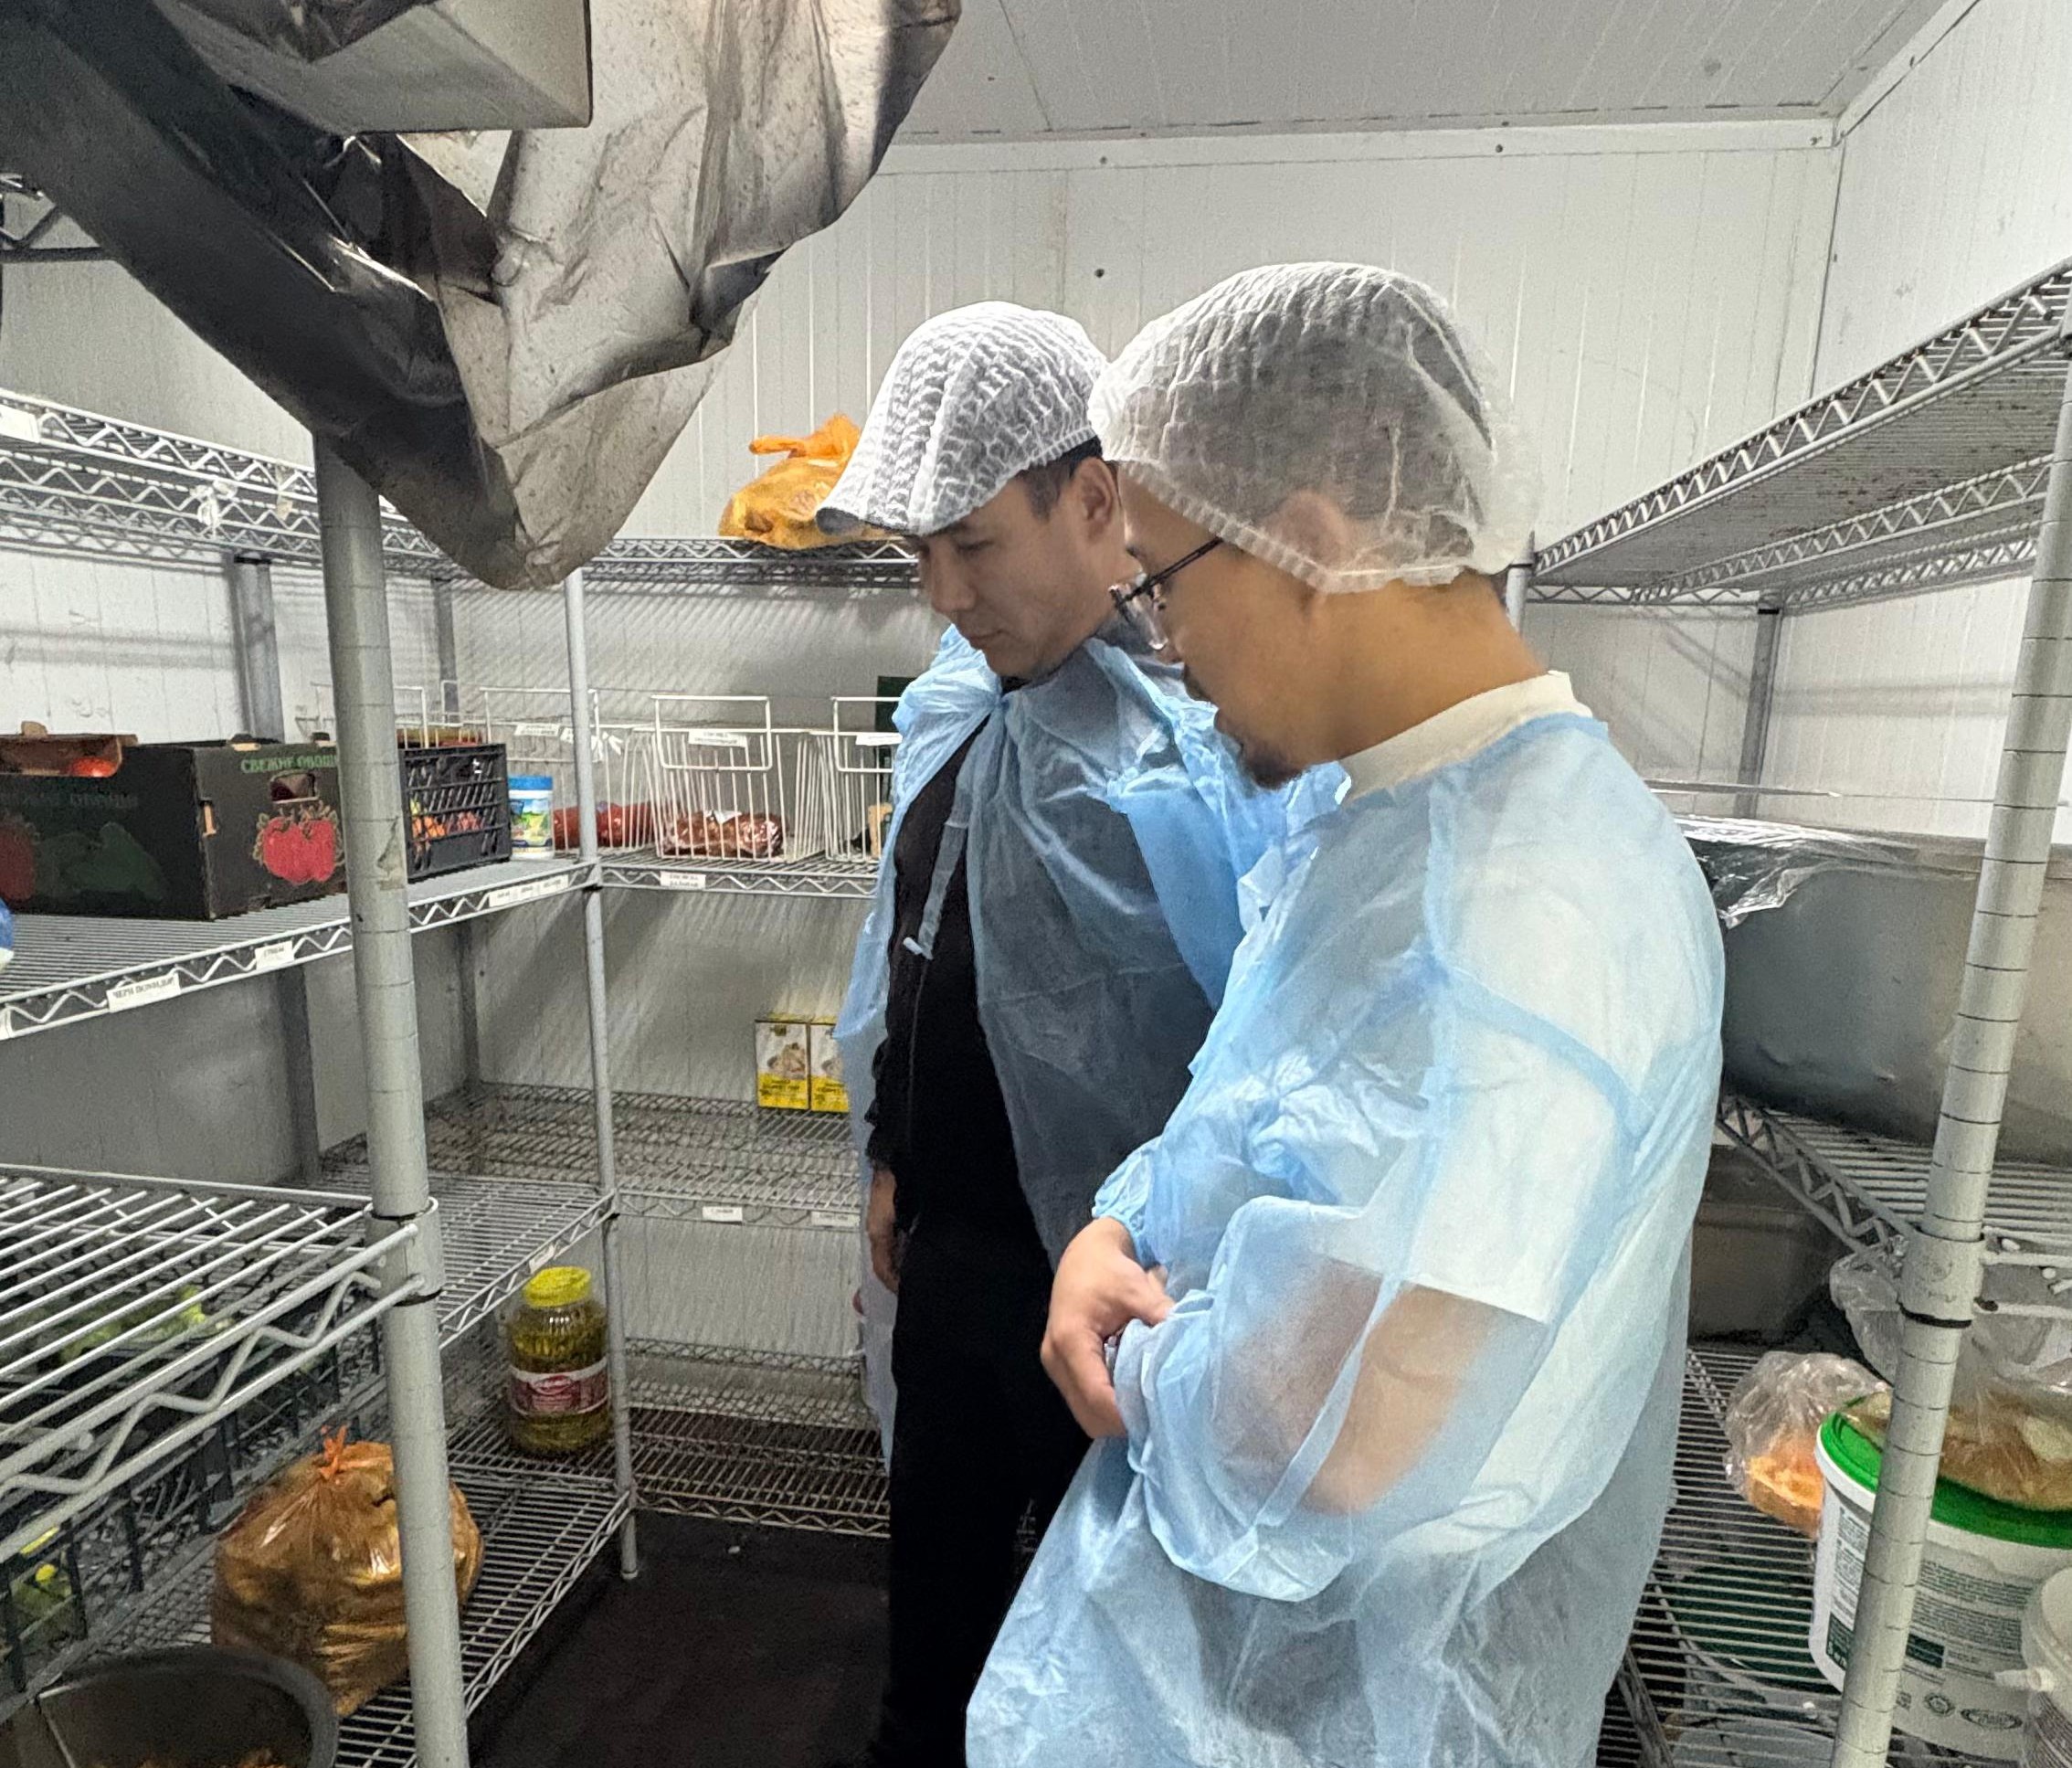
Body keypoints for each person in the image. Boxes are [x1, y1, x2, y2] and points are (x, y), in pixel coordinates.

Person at [967, 264, 1726, 1768]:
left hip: (1325, 1698)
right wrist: (1121, 1231)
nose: (1163, 643)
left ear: (1311, 545)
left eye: (1163, 582)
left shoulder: (1517, 916)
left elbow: (1336, 1440)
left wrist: (1133, 1356)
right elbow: (1257, 1112)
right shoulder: (1392, 811)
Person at [819, 302, 1325, 1768]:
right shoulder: (957, 707)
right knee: (935, 1634)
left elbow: (1265, 1031)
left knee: (1118, 1657)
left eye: (972, 544)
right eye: (918, 552)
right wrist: (891, 1152)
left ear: (1095, 500)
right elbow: (912, 948)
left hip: (1129, 1295)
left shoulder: (1207, 739)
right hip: (957, 1257)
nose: (942, 591)